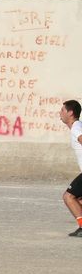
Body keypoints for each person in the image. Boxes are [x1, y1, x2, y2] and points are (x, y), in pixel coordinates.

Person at [59, 100, 82, 237]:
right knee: (78, 200)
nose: (60, 113)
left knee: (68, 197)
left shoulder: (76, 127)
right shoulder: (78, 126)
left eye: (62, 110)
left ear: (70, 113)